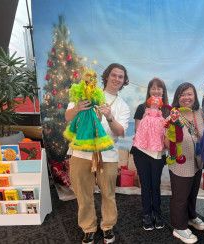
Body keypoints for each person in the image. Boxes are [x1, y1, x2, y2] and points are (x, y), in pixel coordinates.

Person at [65, 63, 130, 244]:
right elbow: (67, 117)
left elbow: (120, 132)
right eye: (114, 75)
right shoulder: (86, 92)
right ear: (107, 76)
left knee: (108, 194)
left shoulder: (123, 106)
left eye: (121, 76)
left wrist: (110, 117)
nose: (117, 79)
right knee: (83, 194)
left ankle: (107, 226)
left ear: (124, 81)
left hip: (108, 156)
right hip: (80, 154)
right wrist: (77, 108)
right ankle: (88, 228)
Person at [167, 82, 204, 244]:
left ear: (195, 96)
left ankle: (191, 217)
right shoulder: (173, 116)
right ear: (177, 97)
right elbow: (166, 143)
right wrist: (172, 130)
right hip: (181, 163)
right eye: (182, 95)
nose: (186, 98)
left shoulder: (199, 112)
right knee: (180, 197)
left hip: (197, 160)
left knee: (192, 193)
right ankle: (179, 227)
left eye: (189, 94)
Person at [130, 78, 169, 231]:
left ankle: (157, 213)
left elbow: (169, 134)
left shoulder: (167, 110)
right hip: (142, 152)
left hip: (158, 153)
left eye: (159, 88)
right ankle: (147, 214)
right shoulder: (141, 108)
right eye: (153, 88)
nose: (156, 91)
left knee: (156, 184)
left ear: (163, 91)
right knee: (145, 185)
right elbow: (137, 131)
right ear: (149, 90)